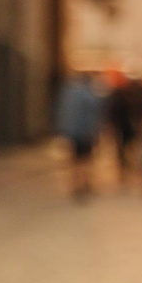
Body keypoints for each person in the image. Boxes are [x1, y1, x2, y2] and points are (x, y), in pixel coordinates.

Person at [52, 71, 104, 199]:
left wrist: (62, 130)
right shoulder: (89, 95)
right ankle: (85, 183)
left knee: (75, 159)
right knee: (85, 159)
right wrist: (95, 131)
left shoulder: (68, 93)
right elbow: (93, 115)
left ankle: (76, 184)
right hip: (85, 132)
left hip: (72, 132)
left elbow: (61, 112)